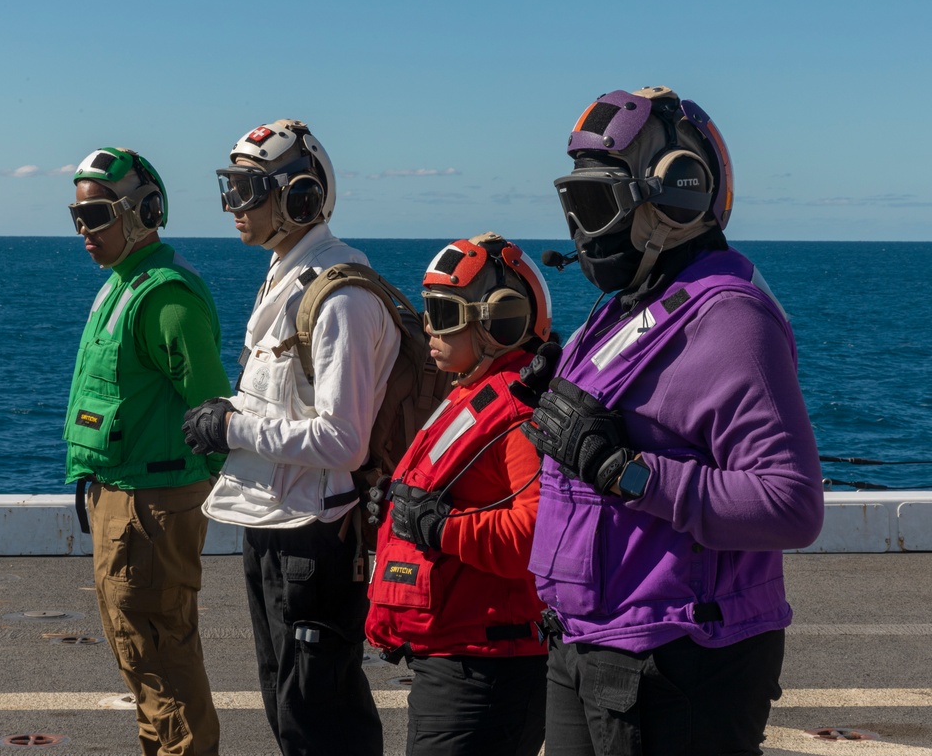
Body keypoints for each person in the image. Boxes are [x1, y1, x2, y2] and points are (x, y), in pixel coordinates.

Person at [522, 86, 825, 756]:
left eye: (598, 205)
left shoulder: (730, 318)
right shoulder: (628, 305)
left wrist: (620, 470)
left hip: (676, 659)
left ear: (676, 194)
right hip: (586, 641)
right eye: (575, 204)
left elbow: (791, 504)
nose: (583, 230)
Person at [183, 120, 398, 755]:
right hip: (275, 523)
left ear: (299, 197)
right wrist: (234, 412)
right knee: (286, 704)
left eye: (248, 191)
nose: (234, 208)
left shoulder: (341, 300)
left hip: (316, 538)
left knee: (320, 718)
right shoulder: (287, 277)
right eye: (232, 190)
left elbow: (342, 441)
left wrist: (233, 427)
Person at [64, 147, 231, 756]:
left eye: (99, 215)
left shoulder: (165, 296)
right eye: (78, 218)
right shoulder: (124, 285)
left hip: (151, 507)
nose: (86, 231)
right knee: (142, 662)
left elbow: (213, 412)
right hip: (125, 498)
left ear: (146, 210)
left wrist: (191, 500)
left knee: (163, 660)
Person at [366, 232, 554, 756]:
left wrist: (439, 526)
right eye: (429, 309)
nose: (428, 325)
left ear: (501, 319)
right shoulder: (474, 392)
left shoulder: (521, 415)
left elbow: (536, 533)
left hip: (484, 672)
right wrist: (398, 503)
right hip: (456, 657)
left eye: (445, 313)